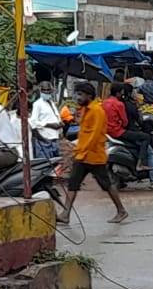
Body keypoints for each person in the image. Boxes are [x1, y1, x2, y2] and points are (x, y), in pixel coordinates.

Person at [55, 81, 129, 225]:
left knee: (106, 184)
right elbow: (84, 133)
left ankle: (121, 210)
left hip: (94, 156)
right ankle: (65, 214)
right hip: (83, 156)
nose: (78, 97)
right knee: (73, 183)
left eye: (81, 94)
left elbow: (95, 135)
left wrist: (79, 151)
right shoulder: (85, 110)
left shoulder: (97, 111)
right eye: (77, 94)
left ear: (89, 95)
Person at [117, 83, 153, 187]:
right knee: (150, 151)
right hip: (131, 131)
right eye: (133, 91)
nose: (135, 93)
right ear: (129, 92)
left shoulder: (119, 103)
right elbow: (139, 120)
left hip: (120, 131)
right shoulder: (131, 105)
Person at [29, 80, 62, 159]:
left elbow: (56, 117)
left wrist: (60, 125)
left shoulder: (51, 103)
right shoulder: (37, 104)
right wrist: (48, 125)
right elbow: (33, 122)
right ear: (41, 91)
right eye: (44, 90)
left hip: (55, 138)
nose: (46, 92)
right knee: (45, 164)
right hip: (45, 139)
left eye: (48, 90)